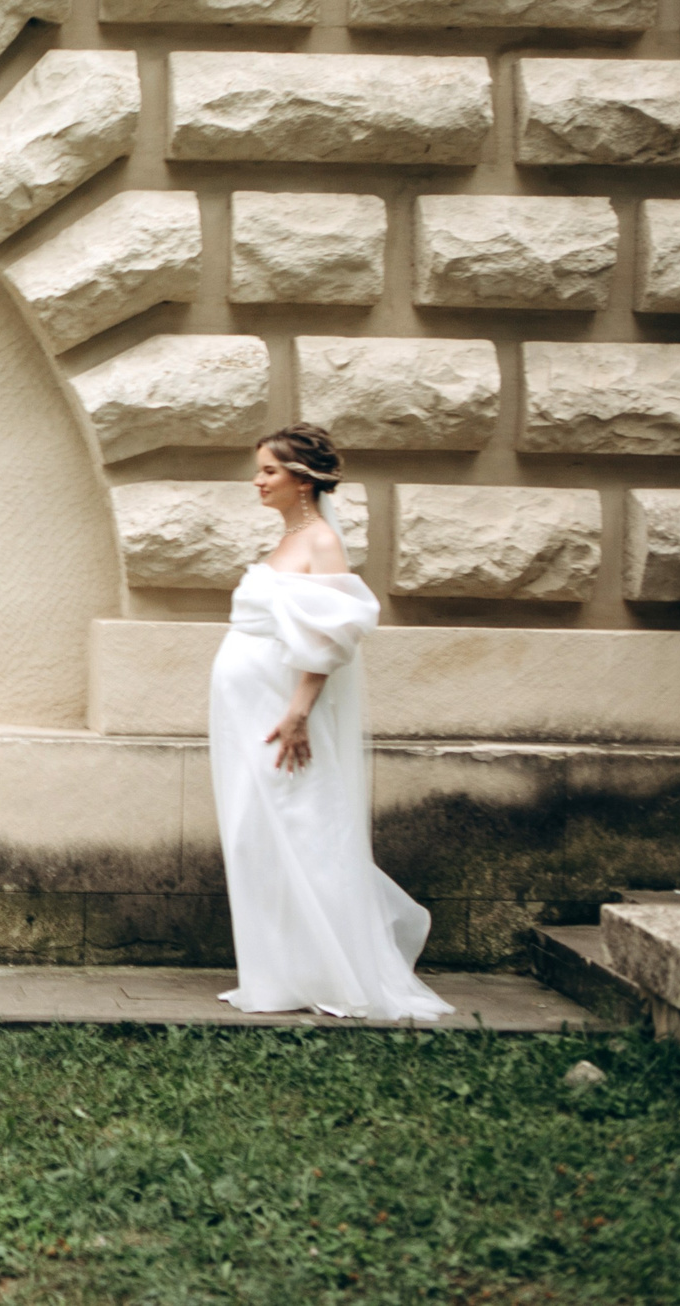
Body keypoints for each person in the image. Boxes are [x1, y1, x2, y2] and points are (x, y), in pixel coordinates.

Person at [210, 423, 451, 1022]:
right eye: (260, 469)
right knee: (254, 835)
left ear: (303, 479)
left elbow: (330, 635)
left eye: (269, 470)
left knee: (301, 828)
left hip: (279, 711)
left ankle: (330, 971)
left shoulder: (321, 542)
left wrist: (297, 713)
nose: (258, 480)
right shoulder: (289, 539)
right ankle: (279, 973)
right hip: (247, 707)